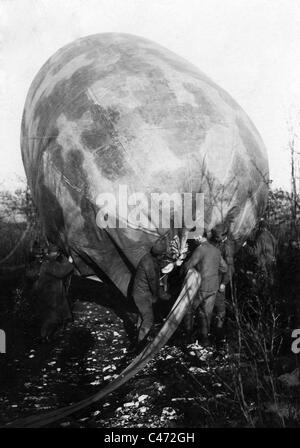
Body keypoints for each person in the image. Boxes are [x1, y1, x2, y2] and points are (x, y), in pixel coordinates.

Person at [183, 230, 228, 346]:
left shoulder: (200, 249)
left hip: (201, 286)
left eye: (195, 238)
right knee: (206, 313)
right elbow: (224, 268)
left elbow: (188, 265)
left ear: (199, 237)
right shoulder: (216, 250)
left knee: (189, 309)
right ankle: (204, 339)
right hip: (213, 287)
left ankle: (188, 337)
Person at [133, 238, 170, 343]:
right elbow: (154, 283)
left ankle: (139, 335)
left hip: (141, 292)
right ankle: (141, 343)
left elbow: (159, 264)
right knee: (148, 319)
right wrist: (159, 296)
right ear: (160, 254)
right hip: (142, 294)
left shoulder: (149, 257)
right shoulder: (149, 264)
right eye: (163, 255)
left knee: (143, 316)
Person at [35, 243, 74, 340]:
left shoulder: (49, 261)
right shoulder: (49, 263)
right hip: (50, 294)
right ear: (50, 253)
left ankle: (48, 336)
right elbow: (61, 272)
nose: (57, 255)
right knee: (51, 317)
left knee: (55, 316)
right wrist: (69, 263)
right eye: (56, 253)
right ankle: (44, 336)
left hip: (53, 293)